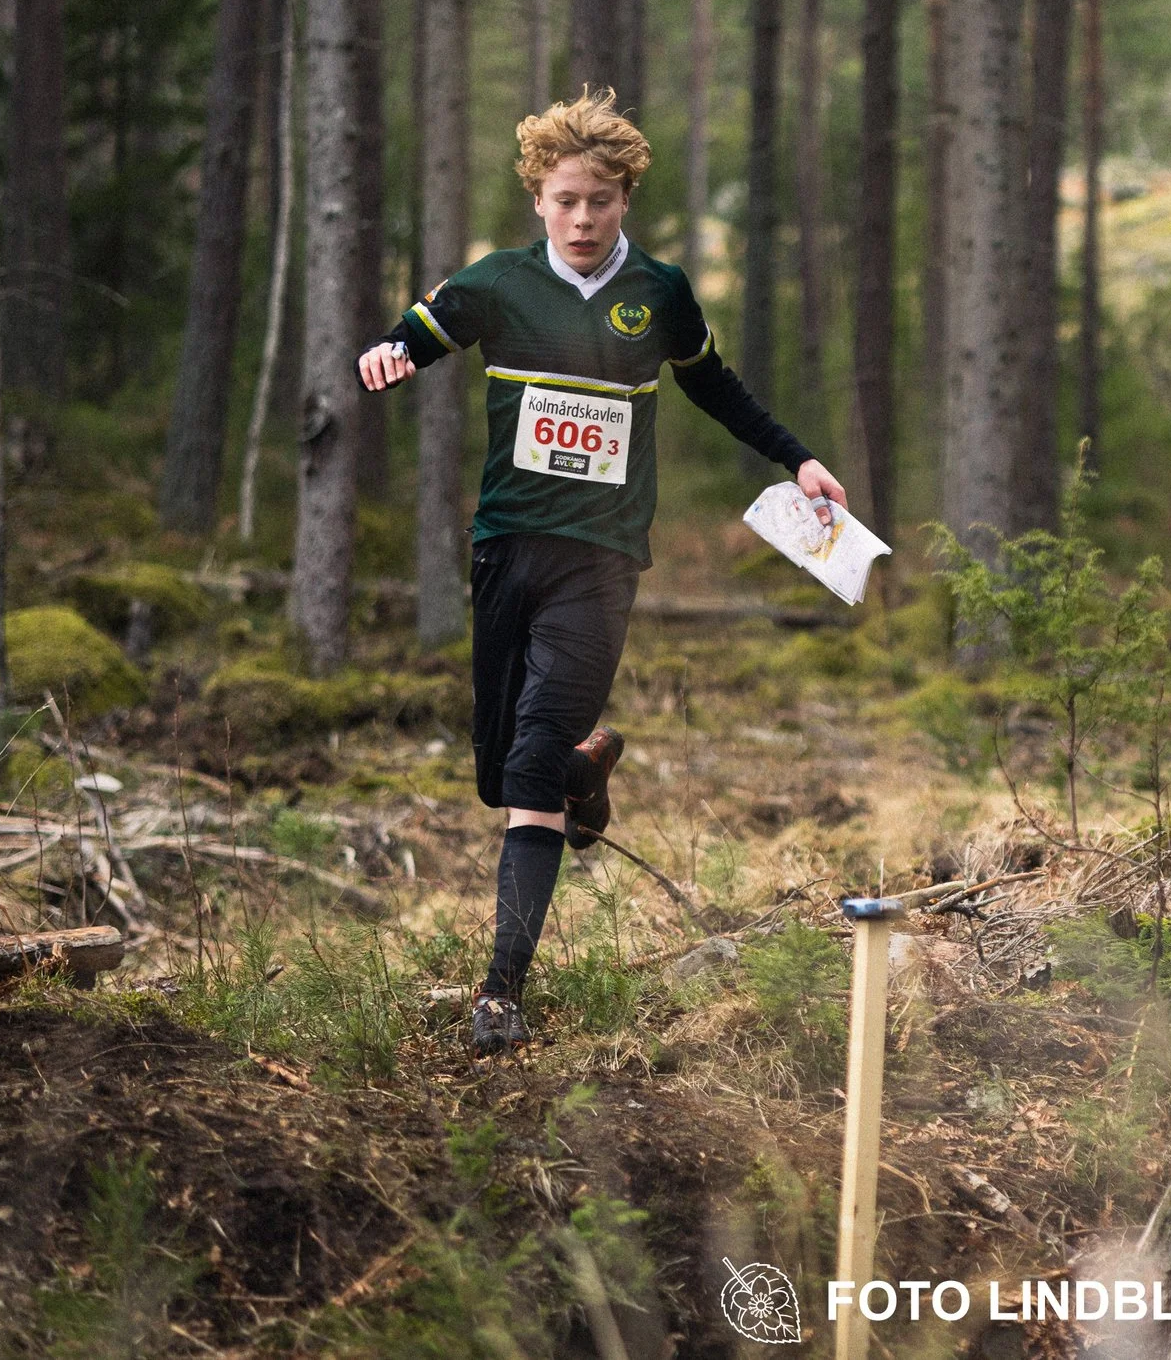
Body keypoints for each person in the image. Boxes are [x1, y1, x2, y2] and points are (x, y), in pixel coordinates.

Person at [358, 85, 844, 1058]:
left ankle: (501, 992)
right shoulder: (499, 282)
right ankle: (588, 767)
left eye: (602, 201)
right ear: (538, 198)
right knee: (502, 772)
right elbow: (423, 326)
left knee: (529, 766)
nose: (583, 220)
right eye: (567, 200)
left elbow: (716, 387)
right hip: (507, 546)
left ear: (626, 201)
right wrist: (391, 354)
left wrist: (796, 459)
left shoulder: (658, 292)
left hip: (602, 559)